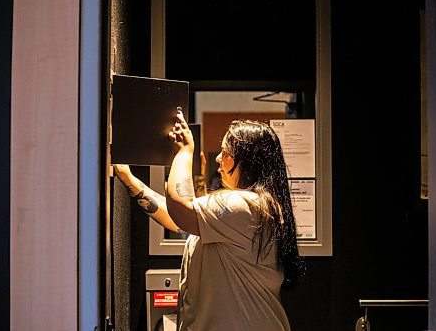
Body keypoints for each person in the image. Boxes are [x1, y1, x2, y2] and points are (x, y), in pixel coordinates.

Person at [113, 108, 303, 331]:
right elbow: (175, 217)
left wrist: (184, 151)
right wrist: (129, 179)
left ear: (248, 160)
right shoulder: (249, 208)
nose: (218, 158)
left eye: (226, 152)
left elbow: (181, 208)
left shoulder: (247, 206)